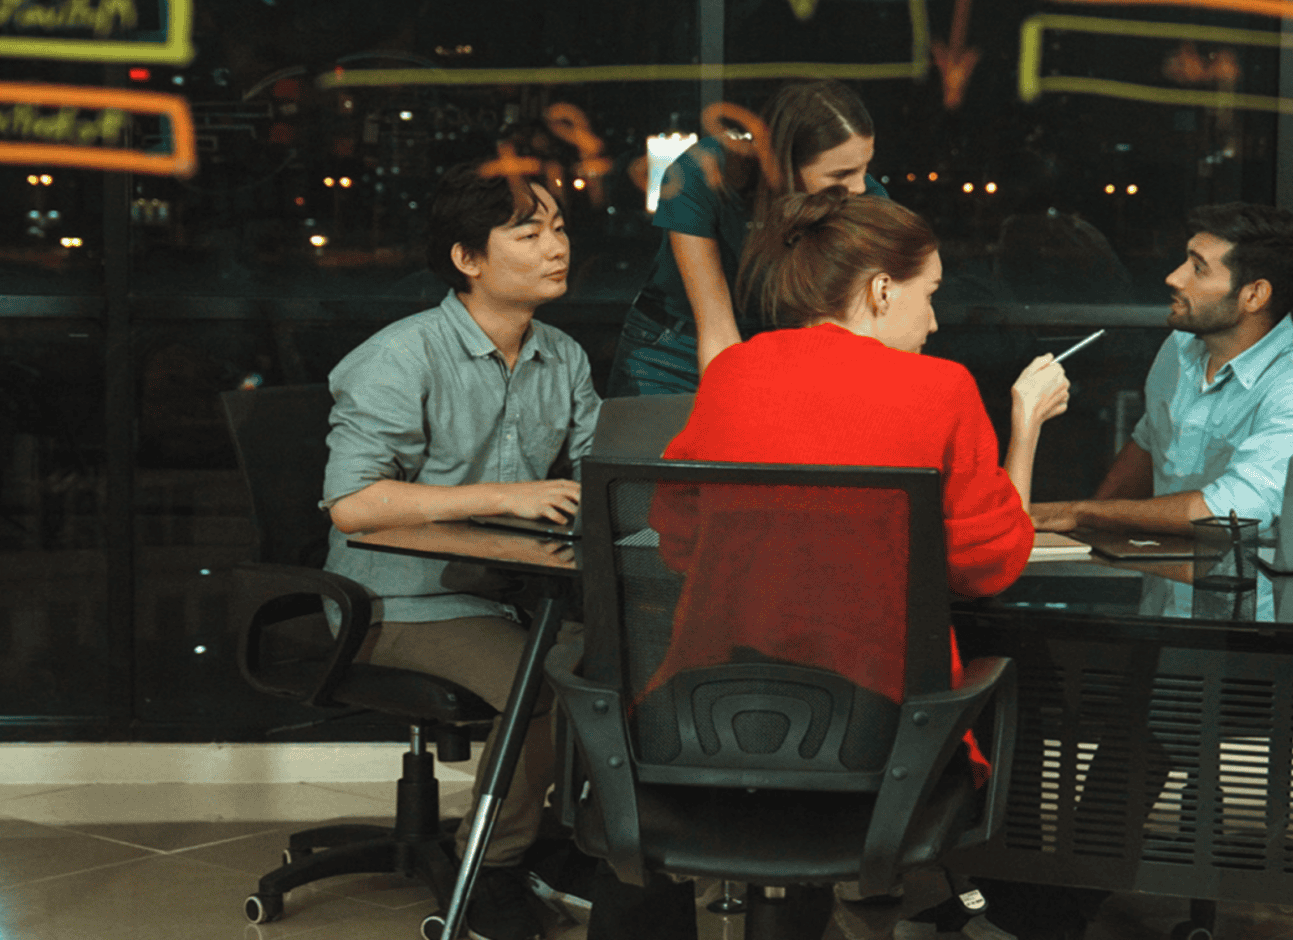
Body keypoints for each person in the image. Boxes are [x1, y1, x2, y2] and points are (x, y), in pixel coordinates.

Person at [585, 188, 1071, 940]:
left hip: (711, 728)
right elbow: (991, 565)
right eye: (930, 294)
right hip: (870, 746)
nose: (935, 321)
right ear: (882, 289)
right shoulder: (940, 387)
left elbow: (678, 542)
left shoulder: (733, 374)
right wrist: (1026, 429)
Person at [321, 158, 600, 940]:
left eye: (560, 228)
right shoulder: (403, 355)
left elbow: (600, 472)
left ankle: (568, 844)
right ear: (467, 259)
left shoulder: (563, 358)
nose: (556, 246)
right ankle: (494, 866)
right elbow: (355, 504)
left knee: (613, 661)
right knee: (542, 683)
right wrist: (504, 496)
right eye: (529, 231)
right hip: (393, 599)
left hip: (498, 592)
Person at [1031, 202, 1293, 537]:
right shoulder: (1181, 345)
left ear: (1254, 295)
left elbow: (1230, 512)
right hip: (1165, 587)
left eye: (1198, 268)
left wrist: (1079, 513)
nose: (1174, 277)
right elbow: (1149, 442)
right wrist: (1076, 534)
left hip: (1251, 590)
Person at [605, 78, 888, 395]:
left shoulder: (864, 197)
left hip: (785, 347)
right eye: (841, 175)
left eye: (864, 167)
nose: (860, 186)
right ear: (784, 165)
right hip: (675, 349)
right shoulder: (702, 174)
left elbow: (858, 324)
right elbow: (717, 326)